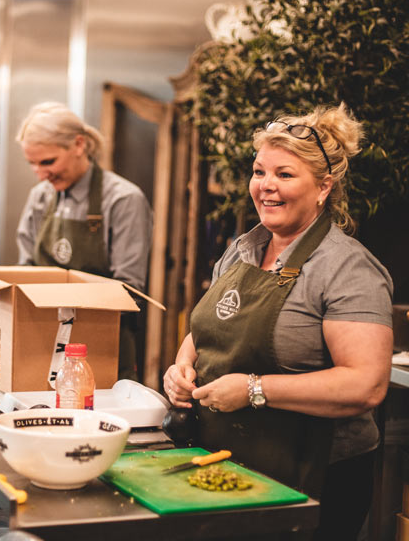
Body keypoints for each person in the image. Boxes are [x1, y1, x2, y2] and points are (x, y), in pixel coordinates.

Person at [163, 103, 393, 540]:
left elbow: (366, 385)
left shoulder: (348, 269)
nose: (266, 185)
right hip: (224, 459)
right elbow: (205, 328)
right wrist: (182, 368)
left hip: (311, 475)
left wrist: (253, 389)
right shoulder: (242, 249)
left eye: (284, 174)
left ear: (323, 187)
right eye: (259, 172)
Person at [15, 102, 153, 380]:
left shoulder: (123, 200)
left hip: (102, 349)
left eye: (48, 162)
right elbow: (26, 271)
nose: (40, 174)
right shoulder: (40, 197)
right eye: (32, 164)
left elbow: (130, 290)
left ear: (79, 145)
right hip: (40, 345)